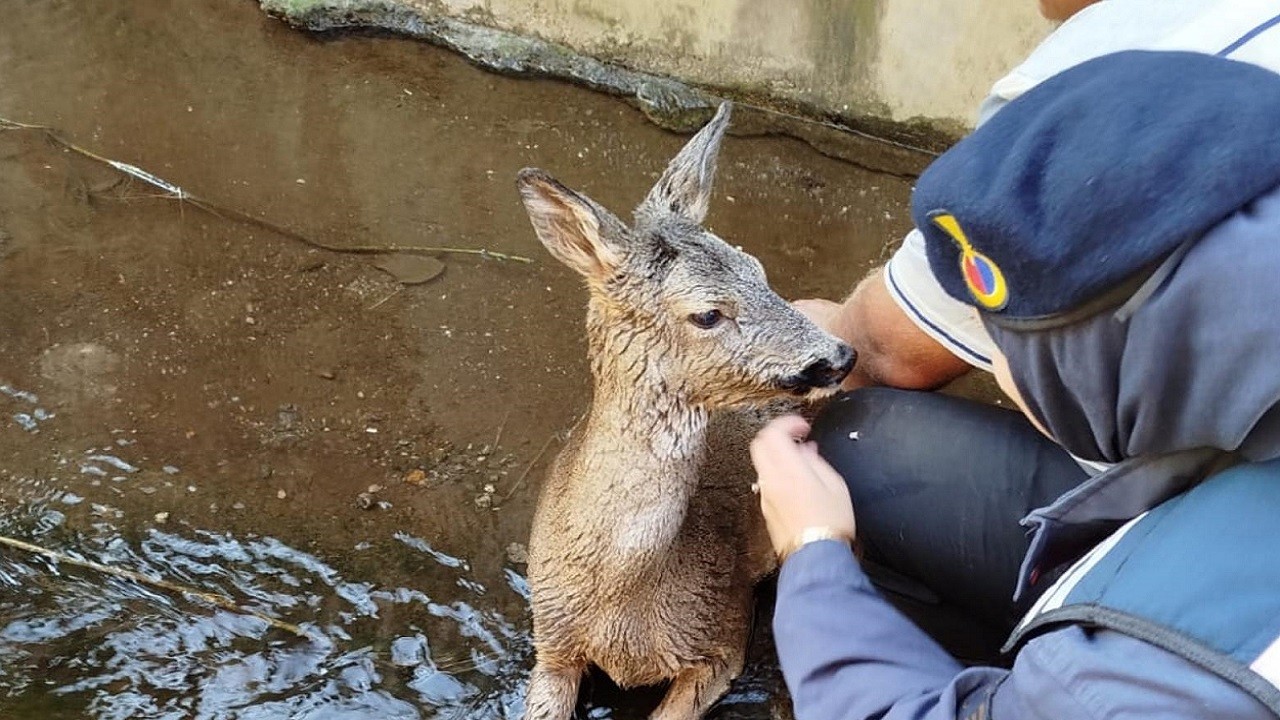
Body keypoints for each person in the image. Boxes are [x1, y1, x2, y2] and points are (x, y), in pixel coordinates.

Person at [748, 5, 1280, 720]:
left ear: (1118, 370)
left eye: (1004, 344)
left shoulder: (1129, 683)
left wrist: (815, 553)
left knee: (853, 444)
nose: (990, 362)